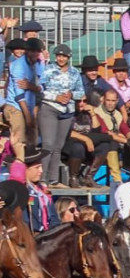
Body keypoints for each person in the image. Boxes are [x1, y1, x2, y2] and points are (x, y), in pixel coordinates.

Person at [36, 44, 84, 187]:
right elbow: (40, 89)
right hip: (49, 107)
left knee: (58, 146)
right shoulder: (48, 70)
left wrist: (71, 95)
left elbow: (81, 92)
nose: (61, 58)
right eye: (58, 56)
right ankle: (42, 178)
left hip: (67, 111)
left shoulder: (75, 72)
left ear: (69, 57)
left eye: (64, 56)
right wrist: (55, 97)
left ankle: (53, 179)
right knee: (48, 144)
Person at [1, 32, 36, 161]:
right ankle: (17, 166)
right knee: (18, 139)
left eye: (23, 49)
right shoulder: (11, 64)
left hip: (24, 105)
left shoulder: (28, 64)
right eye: (18, 49)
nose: (20, 51)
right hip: (14, 105)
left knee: (27, 139)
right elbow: (15, 90)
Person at [89, 88, 130, 183]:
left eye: (113, 101)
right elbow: (105, 131)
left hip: (117, 144)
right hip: (99, 145)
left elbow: (125, 129)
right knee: (112, 143)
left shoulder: (117, 114)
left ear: (117, 101)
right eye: (108, 100)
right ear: (103, 99)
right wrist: (124, 139)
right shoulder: (97, 112)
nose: (110, 103)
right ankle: (117, 179)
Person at [13, 150, 57, 232]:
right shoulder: (20, 191)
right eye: (37, 167)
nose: (41, 171)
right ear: (25, 169)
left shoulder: (43, 191)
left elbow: (54, 218)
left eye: (41, 167)